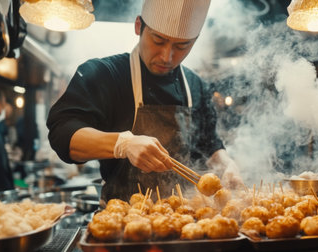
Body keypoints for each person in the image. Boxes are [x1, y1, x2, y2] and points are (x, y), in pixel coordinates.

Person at [47, 0, 243, 203]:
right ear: (138, 26)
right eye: (158, 41)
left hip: (185, 220)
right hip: (121, 223)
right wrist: (123, 144)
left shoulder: (196, 86)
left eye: (182, 46)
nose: (167, 56)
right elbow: (62, 134)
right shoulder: (105, 74)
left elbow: (209, 144)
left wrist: (226, 163)